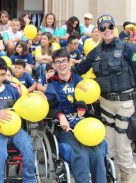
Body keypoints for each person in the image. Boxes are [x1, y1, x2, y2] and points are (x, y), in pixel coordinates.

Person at [73, 14, 136, 183]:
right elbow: (79, 69)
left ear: (114, 28)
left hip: (125, 103)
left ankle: (125, 176)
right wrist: (56, 71)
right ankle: (110, 174)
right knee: (108, 143)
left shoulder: (129, 49)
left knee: (123, 143)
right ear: (98, 31)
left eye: (109, 27)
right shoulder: (94, 53)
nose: (106, 30)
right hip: (105, 103)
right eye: (102, 28)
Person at [45, 49, 106, 183]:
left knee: (97, 152)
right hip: (65, 127)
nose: (61, 64)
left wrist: (82, 106)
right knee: (81, 153)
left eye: (64, 61)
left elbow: (88, 99)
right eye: (58, 62)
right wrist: (60, 116)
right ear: (54, 65)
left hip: (84, 122)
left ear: (70, 62)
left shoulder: (79, 80)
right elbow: (49, 107)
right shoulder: (52, 84)